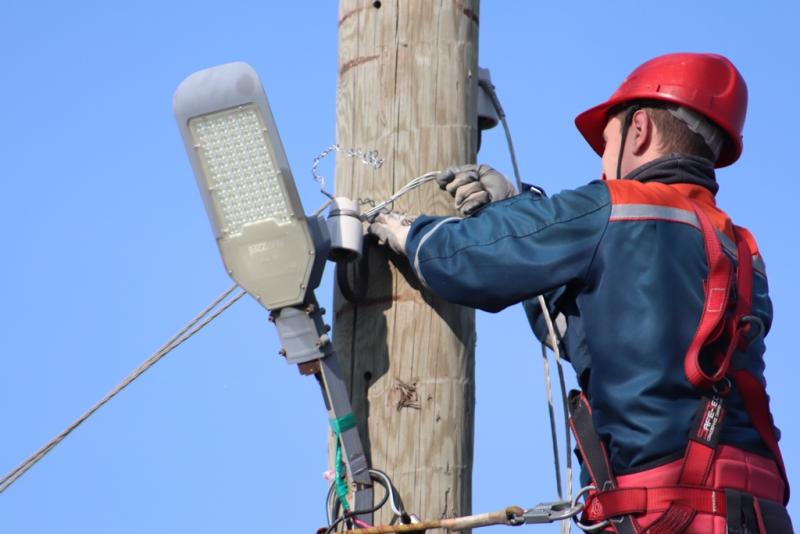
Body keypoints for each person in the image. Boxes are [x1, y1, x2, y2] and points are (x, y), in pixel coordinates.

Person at [368, 53, 792, 533]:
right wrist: (514, 206)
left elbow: (465, 260)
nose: (603, 161)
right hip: (761, 513)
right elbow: (589, 338)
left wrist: (407, 231)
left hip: (668, 511)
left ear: (640, 132)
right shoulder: (741, 251)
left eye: (606, 142)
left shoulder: (615, 207)